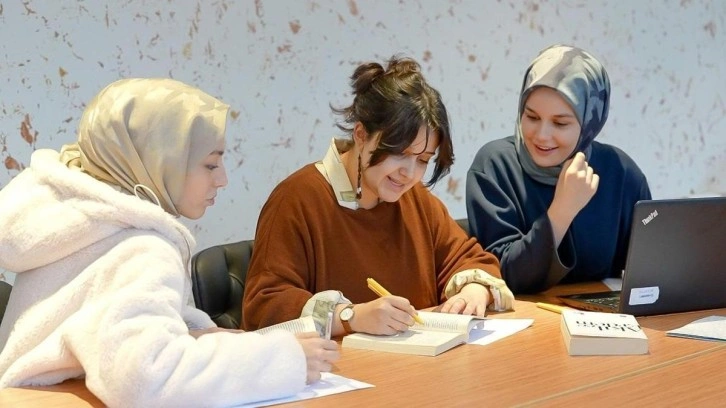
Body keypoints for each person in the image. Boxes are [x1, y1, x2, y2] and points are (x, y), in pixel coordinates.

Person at [0, 78, 338, 407]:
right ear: (159, 160)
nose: (222, 179)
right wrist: (285, 360)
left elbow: (97, 329)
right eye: (210, 164)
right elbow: (147, 380)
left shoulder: (77, 221)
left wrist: (191, 331)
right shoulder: (141, 248)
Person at [243, 56, 514, 336]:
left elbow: (468, 258)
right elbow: (265, 304)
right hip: (338, 362)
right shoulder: (298, 199)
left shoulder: (415, 199)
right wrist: (349, 316)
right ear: (361, 135)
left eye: (423, 160)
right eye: (400, 153)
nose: (409, 173)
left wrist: (473, 290)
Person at [466, 45, 651, 294]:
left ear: (589, 124)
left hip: (602, 314)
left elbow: (647, 271)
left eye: (560, 123)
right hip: (524, 315)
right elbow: (502, 277)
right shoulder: (494, 166)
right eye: (531, 117)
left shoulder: (621, 172)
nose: (542, 135)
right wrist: (562, 210)